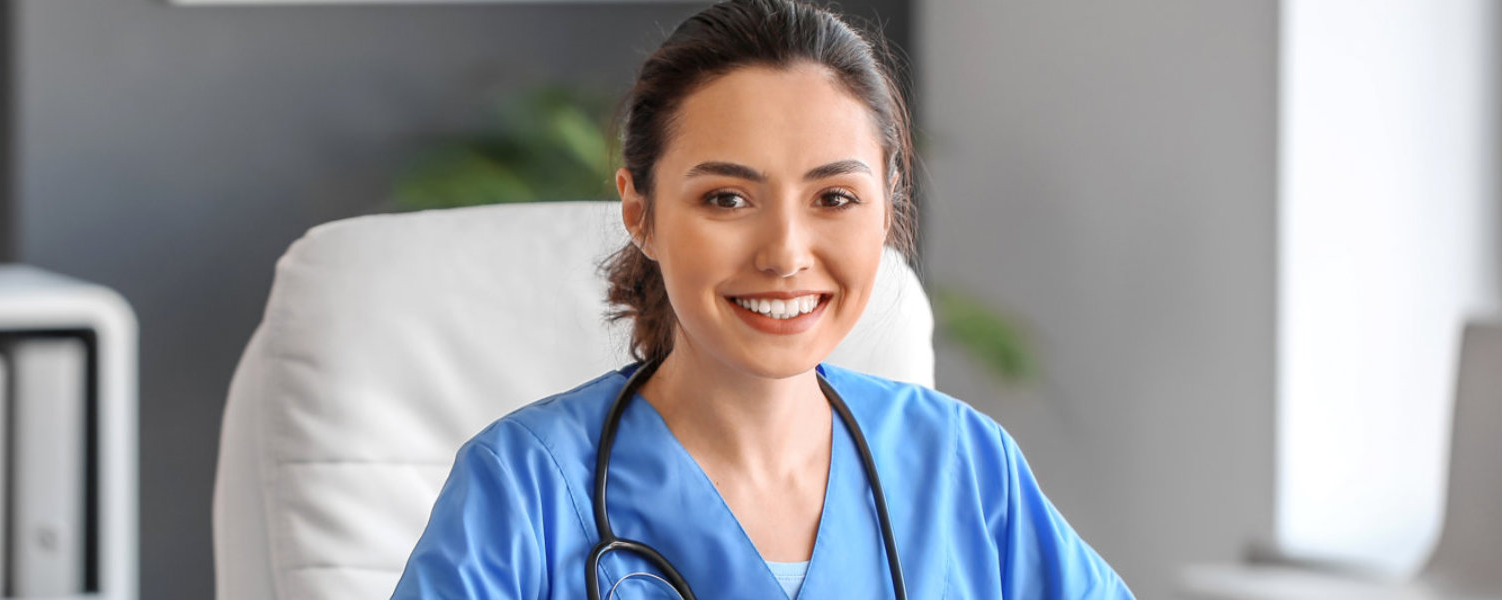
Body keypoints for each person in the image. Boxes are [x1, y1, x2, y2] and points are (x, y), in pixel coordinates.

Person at [389, 0, 1133, 597]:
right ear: (639, 211)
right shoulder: (523, 489)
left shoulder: (965, 468)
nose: (784, 253)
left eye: (835, 196)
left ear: (887, 208)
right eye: (726, 198)